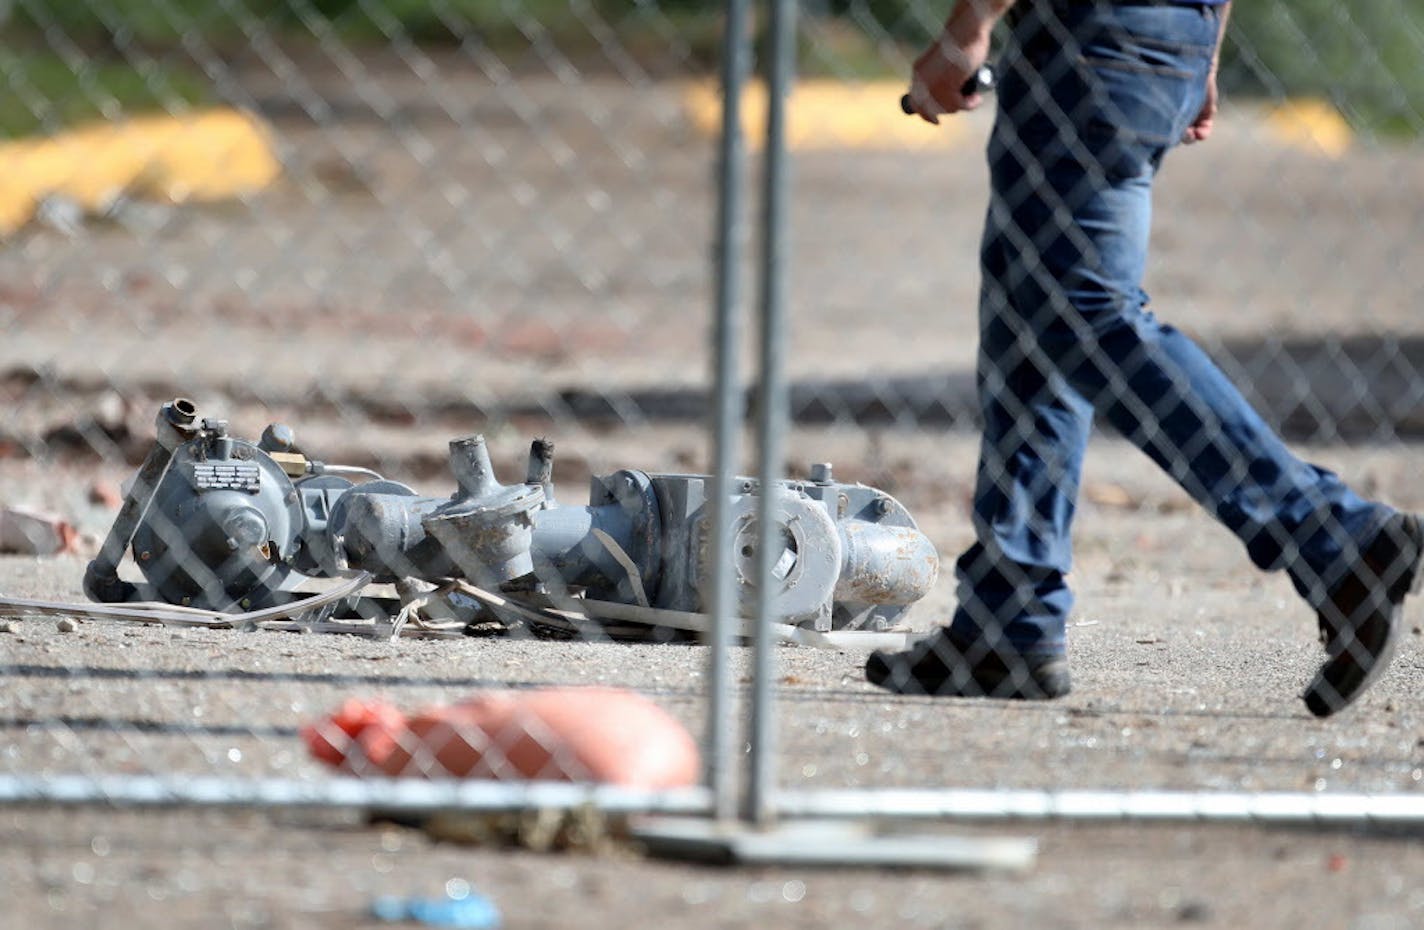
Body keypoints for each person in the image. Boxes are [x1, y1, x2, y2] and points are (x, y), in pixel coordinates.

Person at [865, 0, 1422, 717]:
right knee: (1035, 314)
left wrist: (968, 27)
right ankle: (1010, 618)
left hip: (1091, 40)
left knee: (1082, 313)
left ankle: (1332, 536)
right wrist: (1205, 49)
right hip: (1168, 36)